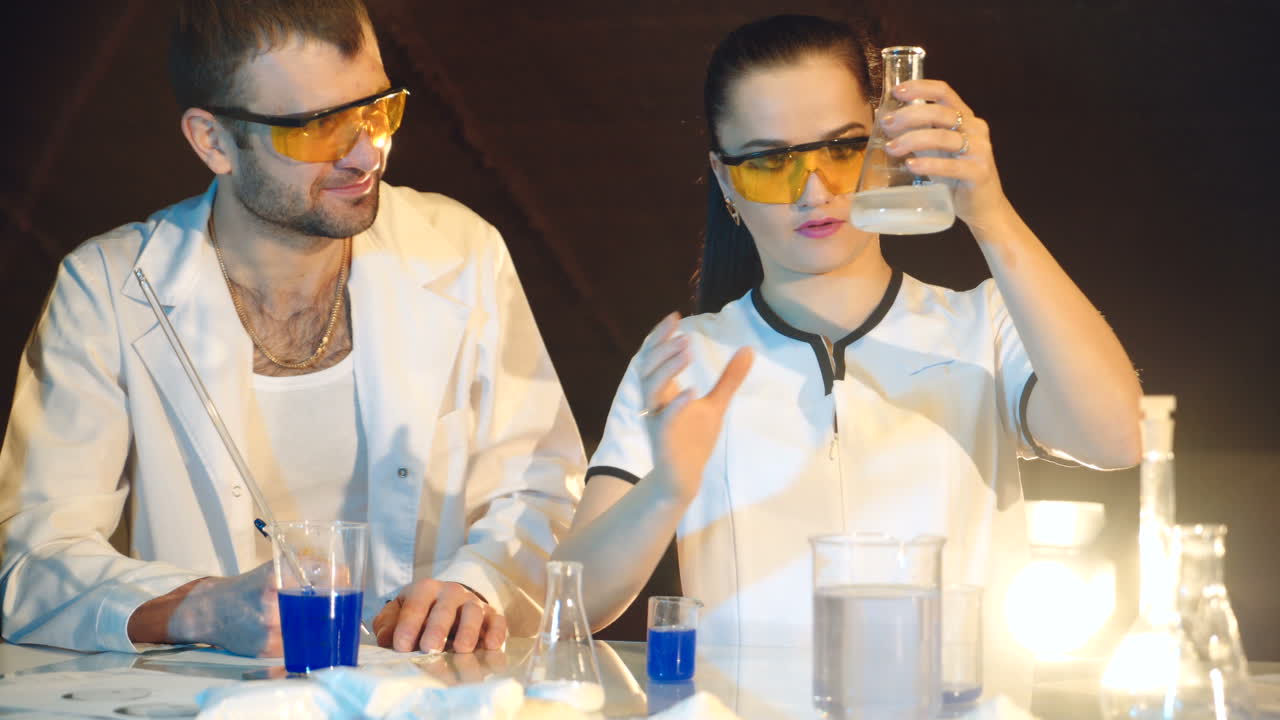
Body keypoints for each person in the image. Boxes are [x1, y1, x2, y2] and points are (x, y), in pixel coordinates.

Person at [552, 13, 1141, 702]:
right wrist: (664, 492)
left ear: (891, 134)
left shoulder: (982, 324)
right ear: (725, 178)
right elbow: (571, 606)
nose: (813, 191)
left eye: (842, 148)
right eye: (771, 162)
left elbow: (1117, 438)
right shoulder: (691, 360)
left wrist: (991, 214)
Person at [0, 0, 585, 657]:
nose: (366, 153)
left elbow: (544, 492)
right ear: (212, 140)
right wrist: (199, 609)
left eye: (377, 110)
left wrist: (480, 585)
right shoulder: (109, 288)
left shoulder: (462, 251)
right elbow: (33, 560)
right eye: (316, 129)